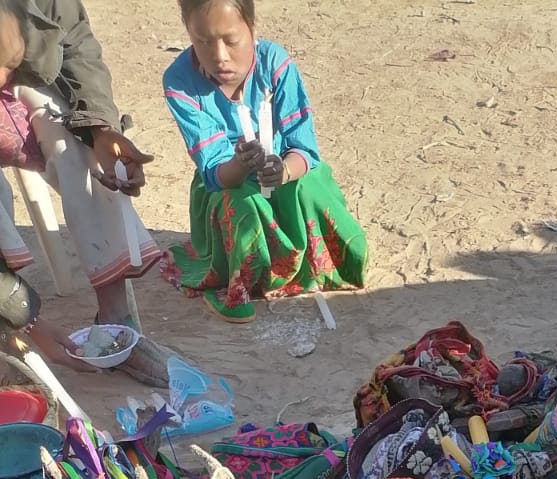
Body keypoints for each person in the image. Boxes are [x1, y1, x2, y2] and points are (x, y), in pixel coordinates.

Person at [161, 0, 367, 323]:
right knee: (238, 205)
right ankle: (241, 285)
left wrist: (284, 171)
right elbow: (216, 172)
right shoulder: (180, 83)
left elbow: (304, 149)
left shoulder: (275, 65)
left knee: (311, 185)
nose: (219, 56)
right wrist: (241, 164)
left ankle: (311, 263)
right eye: (202, 41)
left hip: (284, 168)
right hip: (225, 183)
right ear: (188, 32)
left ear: (252, 29)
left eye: (231, 40)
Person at [0, 0, 163, 328]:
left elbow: (75, 42)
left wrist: (100, 129)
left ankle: (116, 318)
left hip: (24, 73)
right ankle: (7, 303)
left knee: (77, 141)